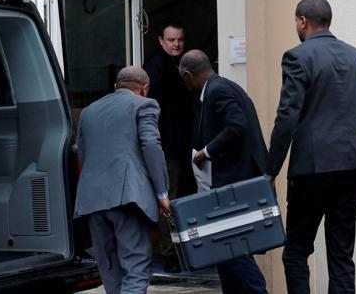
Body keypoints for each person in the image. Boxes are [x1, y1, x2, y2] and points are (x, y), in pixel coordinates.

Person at [265, 0, 356, 294]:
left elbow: (287, 115)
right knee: (341, 252)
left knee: (296, 250)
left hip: (312, 167)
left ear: (302, 21)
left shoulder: (297, 56)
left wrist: (271, 169)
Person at [74, 66, 171, 294]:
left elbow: (82, 153)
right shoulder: (144, 104)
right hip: (127, 198)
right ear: (144, 88)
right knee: (136, 268)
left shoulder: (88, 111)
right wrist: (162, 193)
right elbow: (150, 146)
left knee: (110, 269)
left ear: (116, 86)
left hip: (92, 198)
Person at [180, 50, 269, 294]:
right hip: (235, 179)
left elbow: (236, 125)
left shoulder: (218, 90)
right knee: (225, 250)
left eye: (184, 80)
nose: (186, 86)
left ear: (188, 75)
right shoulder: (223, 87)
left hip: (234, 182)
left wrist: (206, 152)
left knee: (230, 246)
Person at [142, 21, 195, 270]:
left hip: (181, 147)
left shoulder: (181, 65)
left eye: (180, 40)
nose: (176, 44)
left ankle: (182, 250)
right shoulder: (155, 69)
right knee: (167, 201)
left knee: (178, 199)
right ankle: (170, 254)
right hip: (165, 148)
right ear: (161, 41)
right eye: (171, 40)